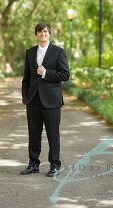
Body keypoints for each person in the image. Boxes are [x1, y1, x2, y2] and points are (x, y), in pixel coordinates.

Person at [20, 22, 70, 177]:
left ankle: (55, 165)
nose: (43, 34)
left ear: (50, 34)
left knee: (52, 134)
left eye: (46, 31)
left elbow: (65, 75)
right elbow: (26, 78)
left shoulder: (58, 52)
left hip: (52, 101)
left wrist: (46, 72)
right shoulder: (30, 53)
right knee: (33, 133)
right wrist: (25, 97)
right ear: (36, 34)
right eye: (40, 32)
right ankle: (33, 164)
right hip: (33, 100)